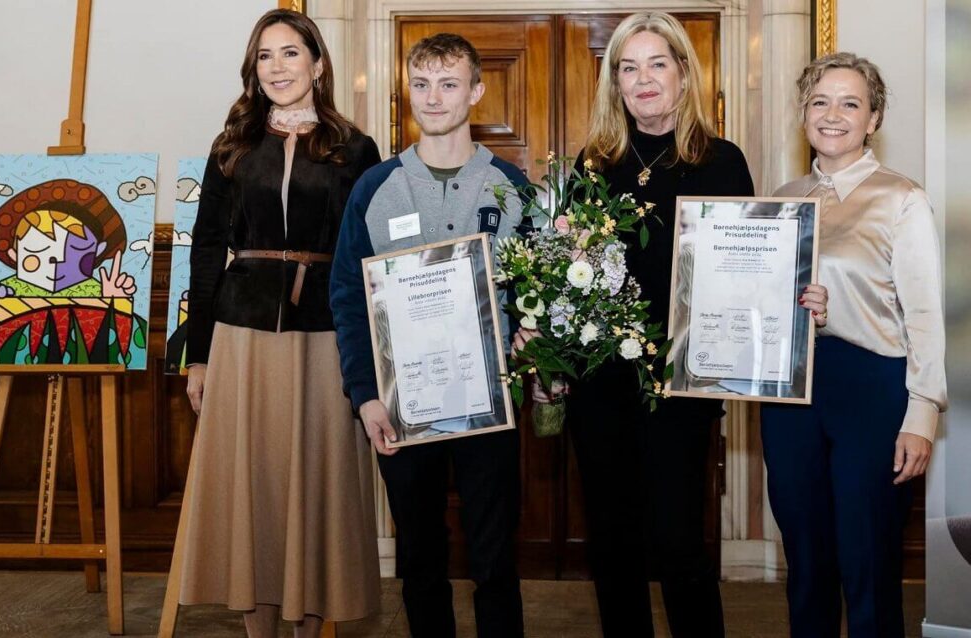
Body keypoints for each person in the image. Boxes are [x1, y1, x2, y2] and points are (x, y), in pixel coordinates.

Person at [517, 12, 826, 637]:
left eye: (657, 64)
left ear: (684, 75)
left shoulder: (720, 162)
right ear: (616, 84)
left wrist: (791, 297)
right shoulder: (593, 163)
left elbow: (747, 272)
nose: (643, 80)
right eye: (628, 68)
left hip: (682, 385)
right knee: (611, 542)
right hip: (600, 383)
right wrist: (545, 344)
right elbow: (567, 272)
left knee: (682, 544)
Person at [178, 9, 382, 638]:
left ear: (318, 65)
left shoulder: (356, 149)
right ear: (253, 69)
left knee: (314, 485)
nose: (277, 68)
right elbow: (207, 248)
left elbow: (368, 256)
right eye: (265, 56)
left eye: (291, 53)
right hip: (241, 336)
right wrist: (199, 354)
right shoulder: (231, 145)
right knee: (251, 487)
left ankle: (308, 627)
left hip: (325, 338)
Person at [330, 33, 530, 638]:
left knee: (495, 558)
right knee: (420, 557)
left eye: (448, 84)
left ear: (476, 90)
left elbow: (538, 295)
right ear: (406, 93)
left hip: (490, 402)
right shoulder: (375, 188)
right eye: (421, 84)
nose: (434, 98)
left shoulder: (513, 189)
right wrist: (365, 396)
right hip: (403, 406)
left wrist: (531, 343)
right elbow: (347, 297)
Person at [763, 52, 946, 638]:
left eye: (850, 103)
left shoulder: (902, 199)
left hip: (872, 390)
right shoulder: (782, 198)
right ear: (802, 113)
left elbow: (925, 315)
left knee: (867, 560)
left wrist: (922, 414)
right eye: (820, 101)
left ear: (873, 119)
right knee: (806, 559)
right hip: (790, 392)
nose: (833, 114)